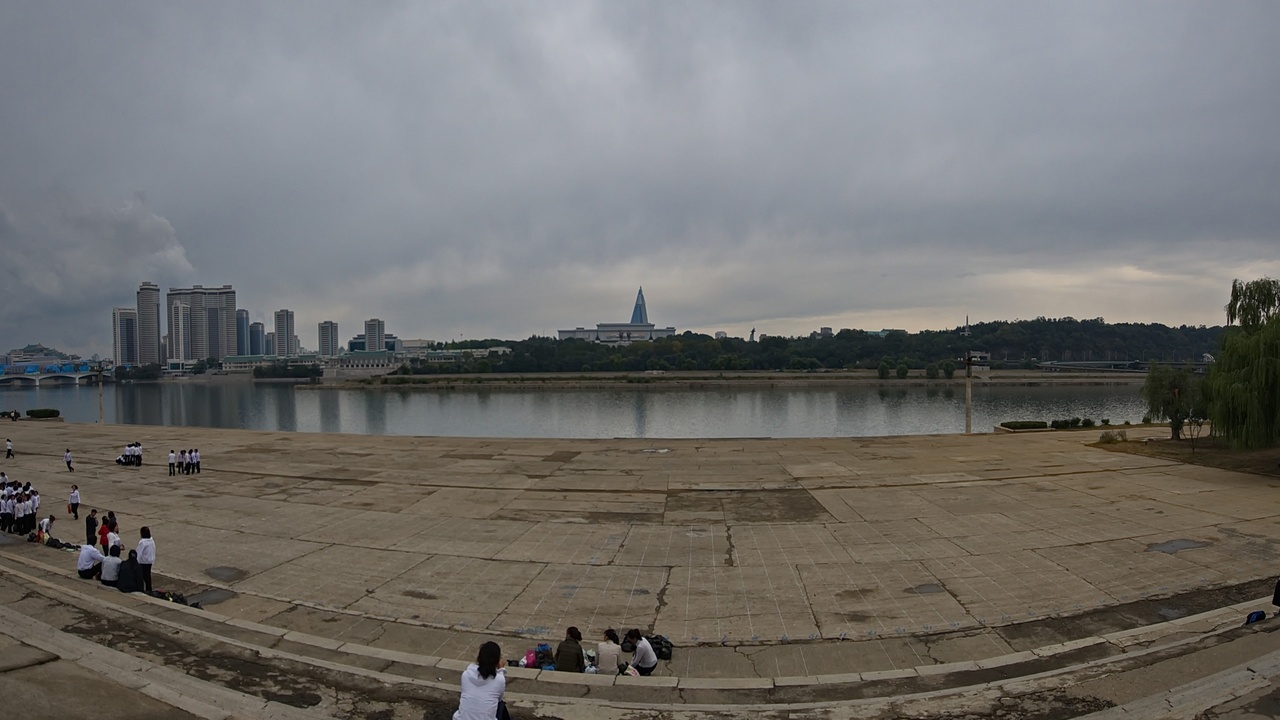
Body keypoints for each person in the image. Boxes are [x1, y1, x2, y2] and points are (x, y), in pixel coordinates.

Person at [452, 641, 510, 720]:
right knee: (500, 705)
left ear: (478, 659)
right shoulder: (499, 680)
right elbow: (499, 698)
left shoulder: (466, 675)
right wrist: (501, 670)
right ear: (497, 662)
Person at [136, 527, 156, 594]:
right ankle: (149, 588)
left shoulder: (142, 542)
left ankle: (146, 589)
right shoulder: (151, 541)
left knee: (143, 576)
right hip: (150, 561)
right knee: (147, 575)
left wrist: (136, 561)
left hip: (144, 562)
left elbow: (139, 553)